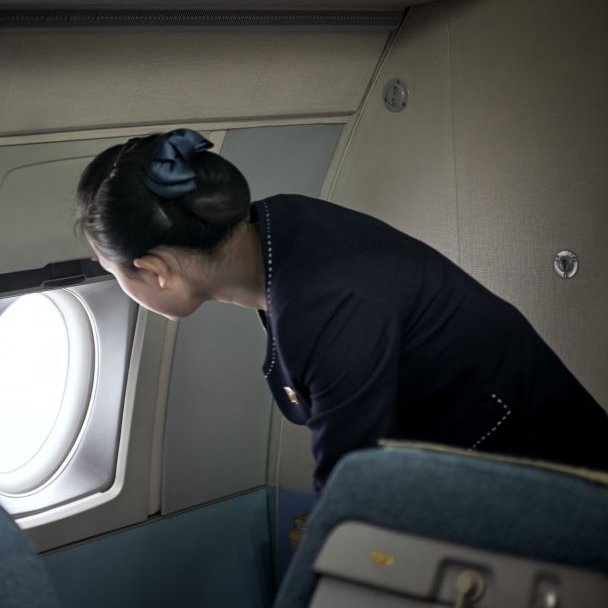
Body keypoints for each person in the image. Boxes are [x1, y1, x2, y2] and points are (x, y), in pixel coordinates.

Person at [75, 128, 608, 492]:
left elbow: (351, 498)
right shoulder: (278, 224)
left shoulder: (328, 306)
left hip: (553, 482)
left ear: (156, 269)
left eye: (113, 272)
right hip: (479, 467)